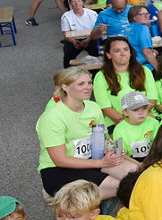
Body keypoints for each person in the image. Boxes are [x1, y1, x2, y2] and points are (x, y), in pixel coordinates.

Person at [37, 67, 135, 201]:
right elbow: (60, 160)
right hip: (58, 170)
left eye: (89, 83)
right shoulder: (52, 117)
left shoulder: (93, 107)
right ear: (65, 87)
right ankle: (62, 197)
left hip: (92, 159)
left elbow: (104, 139)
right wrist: (100, 163)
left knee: (135, 174)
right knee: (123, 186)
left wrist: (112, 150)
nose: (88, 87)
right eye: (81, 84)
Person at [60, 0, 100, 68]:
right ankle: (68, 71)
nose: (76, 4)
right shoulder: (66, 16)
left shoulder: (92, 14)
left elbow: (96, 30)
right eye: (74, 2)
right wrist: (73, 42)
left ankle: (96, 70)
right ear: (70, 4)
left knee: (96, 50)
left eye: (78, 1)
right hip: (74, 39)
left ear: (82, 2)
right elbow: (65, 33)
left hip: (90, 37)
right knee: (68, 52)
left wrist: (88, 40)